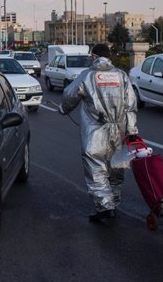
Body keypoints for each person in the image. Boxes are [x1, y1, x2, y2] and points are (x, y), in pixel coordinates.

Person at [58, 43, 139, 222]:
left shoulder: (88, 75)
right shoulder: (122, 75)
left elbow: (69, 95)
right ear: (109, 57)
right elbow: (131, 105)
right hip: (120, 130)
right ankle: (113, 202)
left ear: (94, 57)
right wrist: (132, 130)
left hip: (95, 131)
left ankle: (105, 207)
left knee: (96, 168)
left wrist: (63, 109)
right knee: (116, 168)